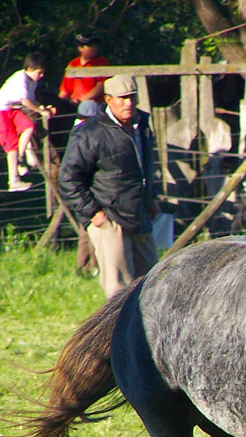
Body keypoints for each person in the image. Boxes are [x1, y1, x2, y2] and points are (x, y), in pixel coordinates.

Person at [59, 75, 160, 299]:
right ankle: (117, 334)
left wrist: (151, 198)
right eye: (122, 98)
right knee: (120, 293)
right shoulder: (91, 132)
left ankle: (145, 335)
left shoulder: (142, 125)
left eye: (132, 97)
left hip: (139, 215)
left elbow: (146, 167)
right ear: (108, 100)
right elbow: (68, 178)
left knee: (153, 285)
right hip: (110, 219)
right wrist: (92, 212)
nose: (129, 103)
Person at [0, 52, 55, 192]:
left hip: (13, 109)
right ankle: (13, 180)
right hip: (0, 110)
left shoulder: (33, 81)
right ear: (30, 69)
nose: (42, 75)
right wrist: (41, 112)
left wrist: (43, 108)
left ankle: (20, 157)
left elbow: (31, 100)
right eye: (40, 72)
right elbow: (25, 102)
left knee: (28, 126)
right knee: (11, 144)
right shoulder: (21, 79)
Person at [58, 33, 110, 119]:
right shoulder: (73, 64)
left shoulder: (102, 62)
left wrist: (82, 99)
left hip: (94, 106)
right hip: (74, 106)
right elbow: (65, 91)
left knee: (89, 105)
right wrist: (60, 103)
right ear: (80, 48)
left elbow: (101, 86)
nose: (95, 48)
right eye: (90, 45)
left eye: (96, 45)